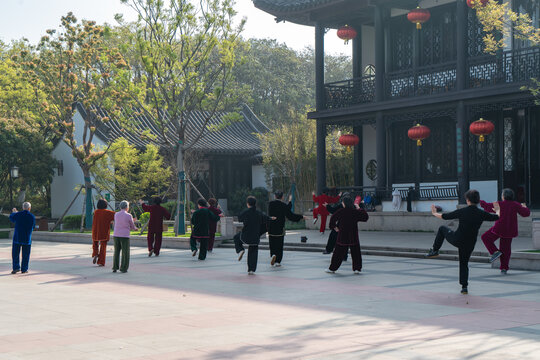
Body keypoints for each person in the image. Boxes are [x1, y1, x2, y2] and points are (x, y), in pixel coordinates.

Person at [425, 189, 499, 295]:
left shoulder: (463, 211)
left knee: (442, 229)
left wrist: (434, 213)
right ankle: (464, 287)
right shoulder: (481, 213)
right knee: (464, 263)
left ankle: (435, 250)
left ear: (468, 200)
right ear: (478, 201)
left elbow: (445, 216)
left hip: (458, 239)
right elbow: (496, 217)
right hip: (470, 243)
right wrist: (497, 210)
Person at [480, 188, 530, 274]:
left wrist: (479, 200)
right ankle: (504, 268)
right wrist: (523, 204)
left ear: (503, 196)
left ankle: (495, 251)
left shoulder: (499, 204)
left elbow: (487, 207)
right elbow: (526, 213)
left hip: (499, 228)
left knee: (485, 237)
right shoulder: (516, 205)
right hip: (510, 230)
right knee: (506, 249)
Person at [326, 196, 369, 274]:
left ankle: (332, 268)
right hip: (353, 235)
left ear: (344, 203)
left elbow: (332, 218)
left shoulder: (341, 211)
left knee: (338, 253)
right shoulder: (355, 211)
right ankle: (357, 269)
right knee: (356, 253)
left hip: (343, 235)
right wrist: (359, 208)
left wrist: (334, 227)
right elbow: (365, 217)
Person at [234, 196, 275, 274]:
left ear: (248, 204)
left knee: (236, 238)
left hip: (245, 235)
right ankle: (251, 270)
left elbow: (239, 218)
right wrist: (271, 218)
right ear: (255, 203)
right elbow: (266, 218)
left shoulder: (246, 212)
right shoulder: (259, 213)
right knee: (253, 251)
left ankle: (240, 250)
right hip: (255, 236)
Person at [267, 191, 304, 267]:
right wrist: (301, 217)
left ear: (275, 196)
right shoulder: (283, 205)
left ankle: (273, 254)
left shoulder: (270, 204)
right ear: (282, 197)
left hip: (271, 228)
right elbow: (290, 214)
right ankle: (278, 261)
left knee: (272, 243)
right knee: (279, 244)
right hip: (280, 228)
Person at [9, 202, 35, 274]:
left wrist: (14, 212)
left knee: (15, 254)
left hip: (17, 237)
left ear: (23, 207)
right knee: (26, 254)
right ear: (29, 208)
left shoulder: (18, 214)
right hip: (27, 238)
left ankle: (16, 267)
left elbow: (11, 218)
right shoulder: (32, 216)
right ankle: (24, 269)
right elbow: (33, 226)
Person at [112, 200, 137, 273]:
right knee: (125, 252)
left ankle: (115, 267)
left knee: (116, 251)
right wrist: (135, 227)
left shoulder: (116, 214)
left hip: (116, 235)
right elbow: (132, 226)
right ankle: (123, 268)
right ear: (126, 207)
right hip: (125, 236)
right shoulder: (129, 215)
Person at [92, 199, 115, 267]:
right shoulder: (107, 212)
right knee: (103, 247)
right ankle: (101, 261)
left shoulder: (96, 212)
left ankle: (95, 253)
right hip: (103, 232)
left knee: (95, 244)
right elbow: (117, 215)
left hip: (95, 231)